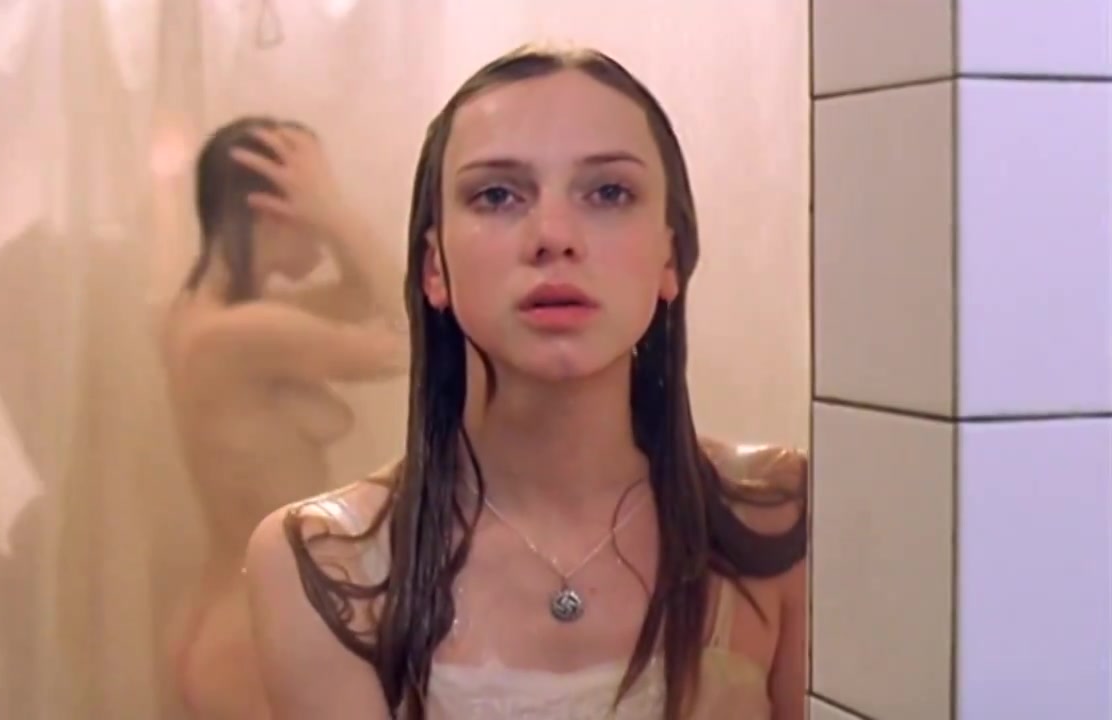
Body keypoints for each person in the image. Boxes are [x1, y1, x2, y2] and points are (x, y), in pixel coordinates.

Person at [245, 45, 808, 720]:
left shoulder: (776, 515)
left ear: (670, 255)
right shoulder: (328, 562)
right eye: (497, 195)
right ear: (435, 268)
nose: (554, 236)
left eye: (609, 193)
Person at [161, 116, 407, 720]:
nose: (321, 231)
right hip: (250, 629)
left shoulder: (200, 318)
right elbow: (418, 338)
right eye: (313, 197)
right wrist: (337, 215)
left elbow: (359, 297)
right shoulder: (244, 333)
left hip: (229, 611)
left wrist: (327, 210)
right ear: (272, 209)